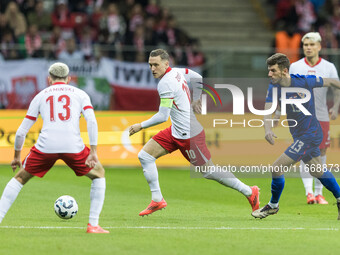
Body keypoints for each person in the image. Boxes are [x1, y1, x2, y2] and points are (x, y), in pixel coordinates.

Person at [128, 49, 260, 216]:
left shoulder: (165, 83)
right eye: (150, 65)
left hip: (189, 135)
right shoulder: (177, 72)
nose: (153, 68)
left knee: (209, 172)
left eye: (156, 65)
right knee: (145, 156)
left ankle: (250, 191)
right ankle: (157, 200)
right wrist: (197, 98)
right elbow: (197, 77)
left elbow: (163, 116)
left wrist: (141, 125)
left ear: (166, 64)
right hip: (176, 130)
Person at [0, 63, 109, 233]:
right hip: (73, 145)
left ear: (49, 79)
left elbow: (22, 131)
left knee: (20, 178)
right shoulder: (80, 94)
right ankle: (93, 225)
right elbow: (92, 121)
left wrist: (16, 156)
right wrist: (93, 151)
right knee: (99, 174)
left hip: (46, 146)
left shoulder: (40, 95)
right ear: (69, 78)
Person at [251, 53, 340, 219]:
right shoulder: (274, 86)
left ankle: (273, 205)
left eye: (273, 70)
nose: (269, 74)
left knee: (276, 168)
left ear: (284, 71)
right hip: (300, 136)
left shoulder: (305, 81)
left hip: (311, 134)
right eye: (269, 70)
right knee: (317, 170)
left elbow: (331, 82)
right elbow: (267, 109)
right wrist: (267, 130)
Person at [289, 32, 340, 204]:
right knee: (305, 153)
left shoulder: (328, 67)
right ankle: (309, 193)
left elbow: (337, 88)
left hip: (322, 116)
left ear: (319, 46)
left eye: (311, 45)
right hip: (302, 118)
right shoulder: (295, 67)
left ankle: (319, 193)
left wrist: (336, 106)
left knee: (322, 153)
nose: (308, 48)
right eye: (305, 45)